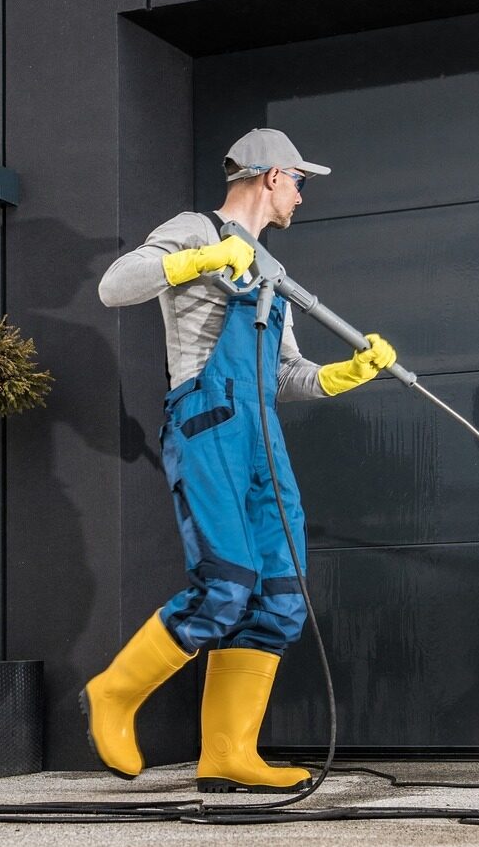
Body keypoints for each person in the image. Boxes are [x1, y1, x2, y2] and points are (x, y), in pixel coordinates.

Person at [82, 129, 397, 792]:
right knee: (226, 584)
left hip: (262, 432)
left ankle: (227, 753)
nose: (303, 198)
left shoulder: (272, 275)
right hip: (209, 422)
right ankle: (113, 693)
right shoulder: (195, 230)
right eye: (300, 183)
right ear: (273, 177)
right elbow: (115, 285)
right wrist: (198, 261)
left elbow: (284, 374)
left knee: (280, 597)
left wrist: (344, 375)